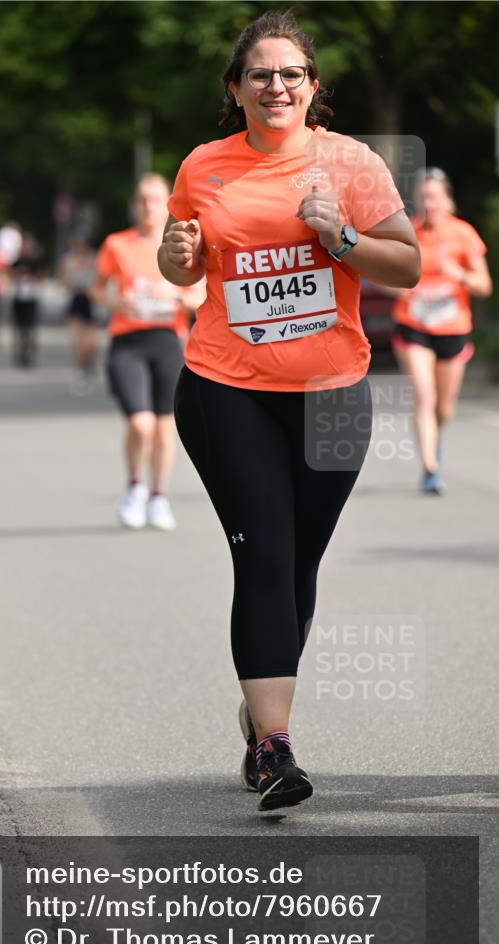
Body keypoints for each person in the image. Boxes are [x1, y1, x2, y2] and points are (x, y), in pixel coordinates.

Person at [159, 10, 420, 812]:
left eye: (291, 75)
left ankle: (257, 708)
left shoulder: (350, 163)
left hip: (332, 393)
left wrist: (339, 237)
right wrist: (175, 260)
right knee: (265, 556)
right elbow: (183, 265)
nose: (276, 87)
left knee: (298, 563)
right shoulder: (204, 166)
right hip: (224, 387)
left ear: (312, 88)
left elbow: (406, 266)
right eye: (260, 75)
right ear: (234, 89)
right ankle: (275, 749)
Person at [91, 174, 203, 531]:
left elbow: (199, 296)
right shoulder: (116, 244)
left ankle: (158, 496)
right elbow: (95, 289)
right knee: (140, 423)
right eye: (142, 199)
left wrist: (171, 295)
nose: (148, 206)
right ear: (133, 204)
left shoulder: (181, 244)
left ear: (167, 203)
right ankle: (135, 487)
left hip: (167, 340)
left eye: (155, 199)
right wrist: (114, 300)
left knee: (162, 427)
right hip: (128, 341)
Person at [390, 168, 492, 494]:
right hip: (413, 323)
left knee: (444, 408)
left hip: (453, 326)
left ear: (446, 198)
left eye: (434, 196)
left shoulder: (463, 233)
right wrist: (399, 287)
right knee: (424, 396)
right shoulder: (408, 233)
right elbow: (385, 277)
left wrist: (459, 275)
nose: (429, 203)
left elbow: (484, 286)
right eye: (423, 197)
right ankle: (431, 468)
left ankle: (436, 439)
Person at [58, 231, 100, 393]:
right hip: (77, 300)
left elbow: (101, 279)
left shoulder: (94, 258)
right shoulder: (68, 260)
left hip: (92, 301)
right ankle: (79, 372)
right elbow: (63, 281)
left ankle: (88, 364)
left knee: (90, 344)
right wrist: (71, 280)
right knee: (79, 342)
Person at [10, 232, 43, 367]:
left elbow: (40, 277)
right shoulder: (16, 261)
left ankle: (29, 351)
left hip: (31, 296)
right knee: (19, 327)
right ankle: (20, 351)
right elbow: (9, 274)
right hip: (18, 297)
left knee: (30, 327)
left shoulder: (34, 262)